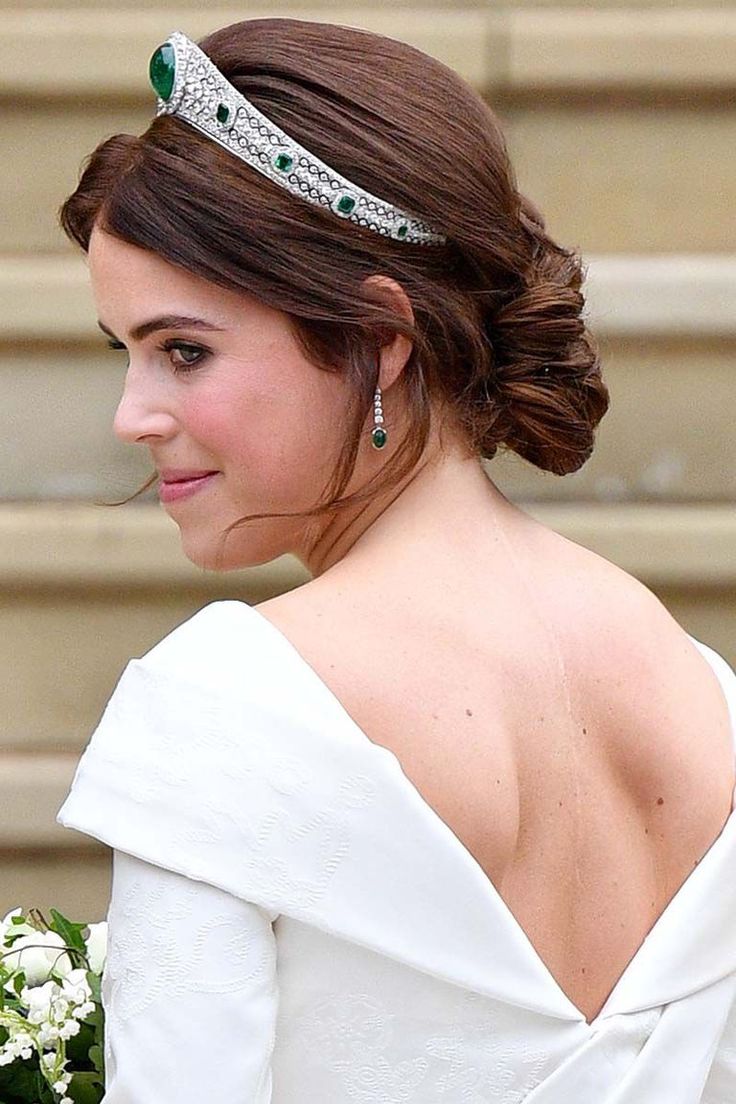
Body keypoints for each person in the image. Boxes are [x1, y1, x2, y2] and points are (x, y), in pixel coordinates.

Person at [55, 17, 736, 1102]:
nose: (134, 415)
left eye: (184, 350)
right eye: (125, 353)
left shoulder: (224, 704)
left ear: (380, 336)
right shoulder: (701, 691)